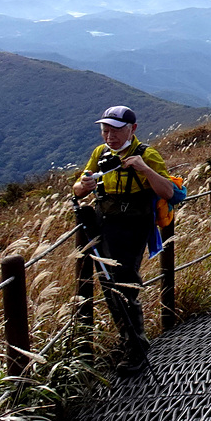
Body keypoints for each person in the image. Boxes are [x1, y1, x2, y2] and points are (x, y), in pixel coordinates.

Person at [71, 106, 175, 376]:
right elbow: (78, 188)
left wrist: (143, 168)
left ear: (132, 129)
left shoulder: (147, 155)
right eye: (105, 130)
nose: (110, 136)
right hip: (104, 224)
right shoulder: (100, 153)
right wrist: (84, 186)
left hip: (133, 227)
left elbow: (169, 192)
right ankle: (128, 340)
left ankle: (137, 348)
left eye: (116, 130)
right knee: (109, 285)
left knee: (124, 283)